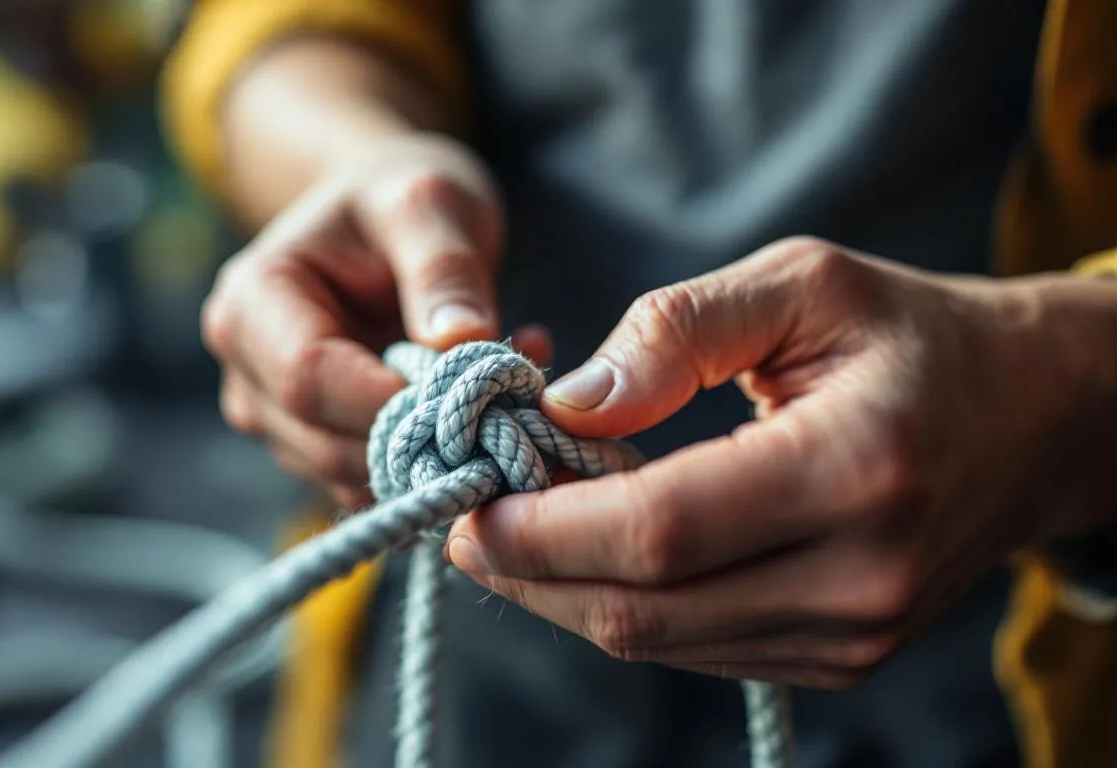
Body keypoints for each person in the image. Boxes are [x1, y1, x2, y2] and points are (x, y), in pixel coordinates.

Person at [160, 1, 1117, 766]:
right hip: (470, 635)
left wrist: (1071, 389)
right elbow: (265, 26)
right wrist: (351, 156)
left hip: (993, 655)